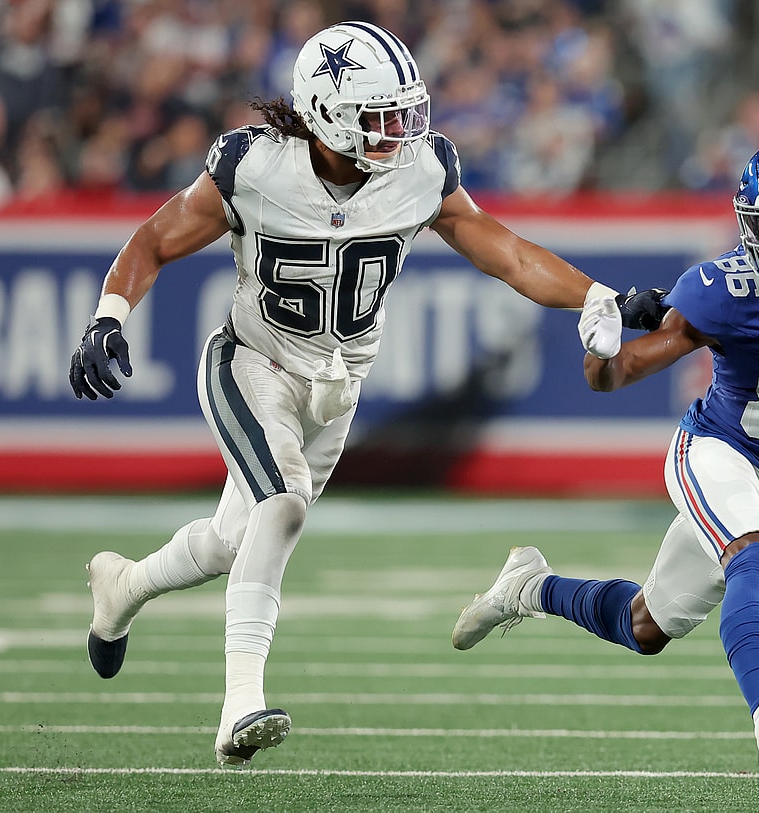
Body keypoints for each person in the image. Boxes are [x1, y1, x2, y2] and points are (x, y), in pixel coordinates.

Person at [69, 21, 631, 768]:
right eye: (381, 116)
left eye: (405, 114)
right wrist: (109, 315)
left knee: (236, 539)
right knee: (283, 504)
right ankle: (240, 706)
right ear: (327, 112)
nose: (400, 132)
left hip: (337, 389)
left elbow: (505, 250)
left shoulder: (421, 171)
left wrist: (595, 295)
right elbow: (155, 239)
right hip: (251, 363)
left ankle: (123, 585)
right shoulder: (256, 167)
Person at [452, 135, 759, 778]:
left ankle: (528, 588)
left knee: (646, 626)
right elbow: (614, 376)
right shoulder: (724, 289)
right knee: (752, 553)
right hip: (714, 450)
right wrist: (599, 348)